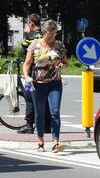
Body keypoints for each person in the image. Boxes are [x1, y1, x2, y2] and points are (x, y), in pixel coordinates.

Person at [22, 19, 67, 153]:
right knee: (40, 113)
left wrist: (61, 65)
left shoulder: (59, 45)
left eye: (55, 34)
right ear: (44, 32)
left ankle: (55, 141)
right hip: (38, 83)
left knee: (55, 112)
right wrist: (26, 76)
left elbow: (66, 63)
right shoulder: (35, 45)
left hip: (55, 83)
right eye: (51, 34)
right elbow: (27, 63)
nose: (53, 37)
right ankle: (40, 141)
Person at [16, 14, 41, 134]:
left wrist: (26, 34)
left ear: (31, 23)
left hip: (30, 73)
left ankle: (29, 125)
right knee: (43, 99)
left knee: (29, 98)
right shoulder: (43, 35)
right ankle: (45, 125)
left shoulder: (31, 36)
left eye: (27, 22)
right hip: (43, 73)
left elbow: (22, 48)